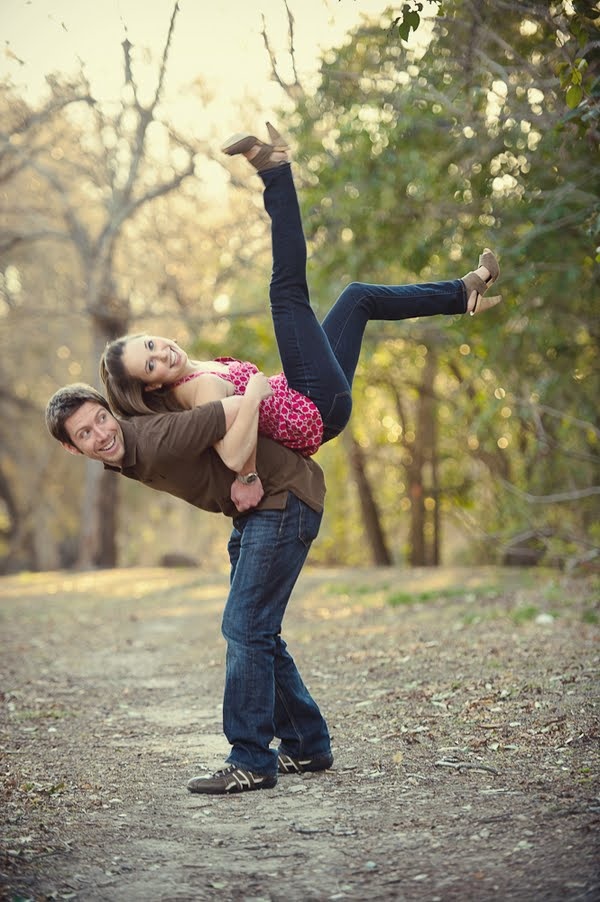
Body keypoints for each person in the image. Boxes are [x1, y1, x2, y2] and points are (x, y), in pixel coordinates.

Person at [99, 123, 501, 460]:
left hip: (315, 400)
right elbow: (233, 455)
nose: (161, 354)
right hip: (314, 406)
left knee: (359, 298)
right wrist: (251, 459)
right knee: (286, 291)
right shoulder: (199, 391)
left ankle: (462, 293)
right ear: (151, 386)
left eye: (151, 344)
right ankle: (273, 170)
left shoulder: (197, 371)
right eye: (150, 365)